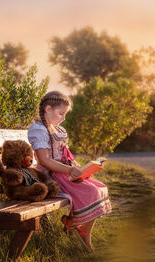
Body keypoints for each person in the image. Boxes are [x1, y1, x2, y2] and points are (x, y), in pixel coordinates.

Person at [28, 91, 112, 251]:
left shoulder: (57, 130)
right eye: (61, 113)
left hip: (64, 171)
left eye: (65, 114)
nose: (63, 118)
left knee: (100, 188)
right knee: (91, 192)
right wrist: (69, 169)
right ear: (48, 109)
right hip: (51, 176)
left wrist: (81, 168)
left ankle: (79, 227)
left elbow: (65, 154)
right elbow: (44, 160)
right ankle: (75, 226)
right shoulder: (38, 130)